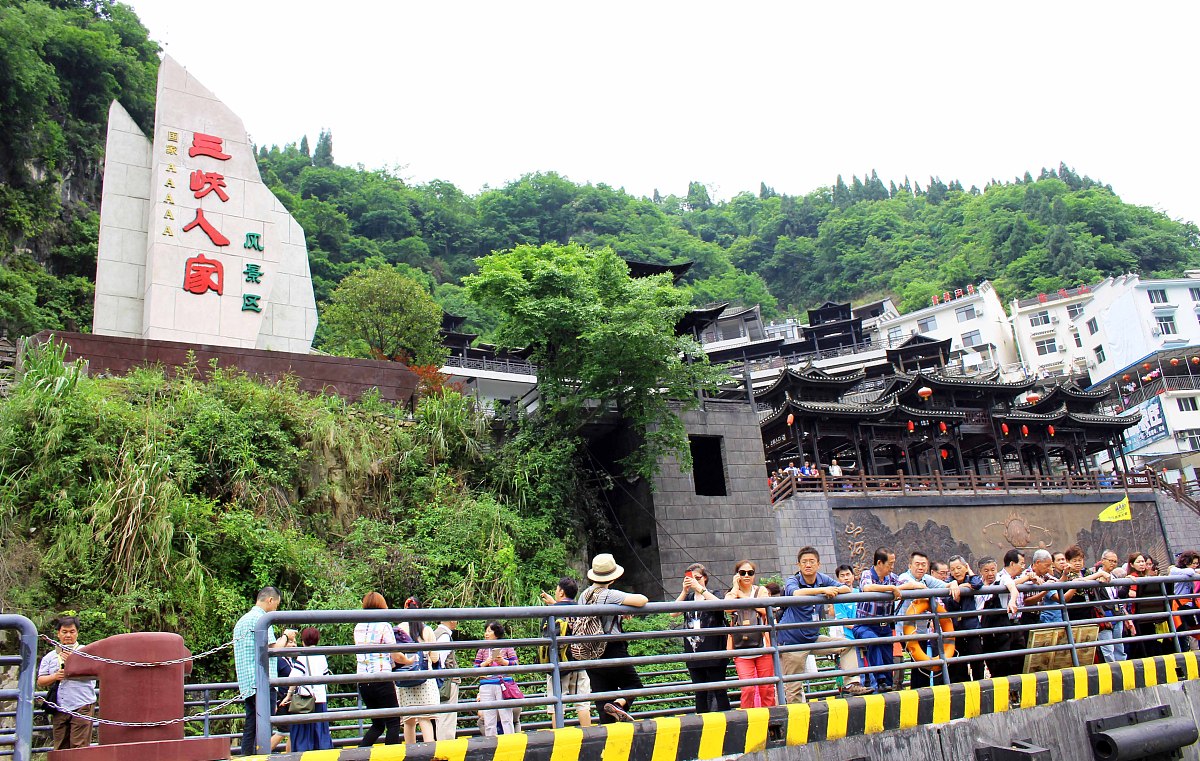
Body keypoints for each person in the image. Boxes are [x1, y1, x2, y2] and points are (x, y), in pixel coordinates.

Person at [778, 547, 872, 702]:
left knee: (847, 645)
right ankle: (795, 715)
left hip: (813, 638)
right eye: (804, 562)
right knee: (794, 689)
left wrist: (832, 590)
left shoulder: (821, 578)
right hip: (792, 641)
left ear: (818, 564)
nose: (808, 565)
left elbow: (846, 589)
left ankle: (851, 683)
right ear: (798, 565)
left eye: (811, 561)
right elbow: (795, 593)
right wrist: (822, 591)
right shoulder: (793, 580)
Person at [580, 553, 648, 722]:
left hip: (590, 650)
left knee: (603, 696)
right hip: (611, 647)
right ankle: (618, 704)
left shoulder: (584, 595)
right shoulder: (609, 595)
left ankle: (608, 725)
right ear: (612, 577)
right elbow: (642, 600)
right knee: (633, 685)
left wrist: (619, 611)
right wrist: (623, 606)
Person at [233, 587, 296, 756]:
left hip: (248, 681)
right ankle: (259, 756)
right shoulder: (261, 619)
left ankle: (247, 756)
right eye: (277, 604)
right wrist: (286, 636)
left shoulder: (243, 620)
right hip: (261, 681)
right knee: (263, 725)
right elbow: (273, 649)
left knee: (252, 724)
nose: (276, 609)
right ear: (270, 600)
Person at [853, 548, 924, 692]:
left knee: (887, 657)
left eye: (893, 563)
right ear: (879, 563)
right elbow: (867, 588)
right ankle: (880, 680)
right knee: (873, 641)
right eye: (890, 564)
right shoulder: (867, 574)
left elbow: (906, 584)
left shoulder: (891, 577)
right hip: (865, 624)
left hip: (884, 626)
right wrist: (891, 588)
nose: (892, 567)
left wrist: (917, 585)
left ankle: (887, 685)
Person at [672, 564, 729, 714]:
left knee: (719, 690)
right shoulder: (688, 598)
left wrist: (700, 588)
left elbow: (721, 606)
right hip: (693, 652)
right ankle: (701, 721)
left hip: (714, 651)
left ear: (705, 578)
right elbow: (673, 613)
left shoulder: (714, 593)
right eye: (691, 579)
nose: (695, 581)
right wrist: (684, 591)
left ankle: (727, 720)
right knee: (699, 692)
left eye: (697, 578)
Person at [540, 577, 595, 726]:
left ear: (561, 592)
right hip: (580, 661)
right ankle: (588, 734)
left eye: (557, 589)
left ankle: (559, 735)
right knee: (583, 703)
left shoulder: (551, 612)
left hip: (559, 664)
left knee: (556, 704)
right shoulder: (581, 609)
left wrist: (553, 605)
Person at [37, 615, 96, 750]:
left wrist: (74, 661)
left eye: (72, 631)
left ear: (77, 633)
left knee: (79, 747)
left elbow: (95, 672)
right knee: (60, 747)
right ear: (58, 634)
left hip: (82, 704)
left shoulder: (87, 652)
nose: (68, 635)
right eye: (64, 632)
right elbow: (41, 681)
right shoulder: (50, 657)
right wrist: (55, 676)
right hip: (60, 706)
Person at [353, 591, 405, 746]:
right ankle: (390, 756)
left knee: (378, 724)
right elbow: (396, 655)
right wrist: (409, 660)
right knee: (393, 721)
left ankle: (360, 753)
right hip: (381, 678)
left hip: (363, 680)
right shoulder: (384, 625)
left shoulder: (358, 626)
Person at [725, 559, 777, 708]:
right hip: (740, 647)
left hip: (762, 645)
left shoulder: (760, 591)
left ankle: (771, 718)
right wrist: (736, 588)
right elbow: (727, 608)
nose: (746, 575)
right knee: (747, 689)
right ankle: (746, 718)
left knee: (766, 688)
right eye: (742, 573)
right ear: (737, 575)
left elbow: (765, 609)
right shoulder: (732, 593)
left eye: (750, 572)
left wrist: (742, 597)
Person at [285, 628, 334, 752]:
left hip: (306, 700)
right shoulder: (321, 656)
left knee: (304, 735)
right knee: (320, 732)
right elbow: (326, 677)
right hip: (320, 698)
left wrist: (289, 695)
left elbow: (293, 678)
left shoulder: (303, 656)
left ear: (303, 641)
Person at [397, 598, 438, 744]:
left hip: (405, 677)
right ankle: (430, 752)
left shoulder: (399, 628)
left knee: (408, 721)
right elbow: (435, 658)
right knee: (425, 719)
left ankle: (410, 752)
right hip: (424, 678)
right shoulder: (427, 630)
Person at [474, 621, 519, 737]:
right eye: (486, 631)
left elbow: (515, 664)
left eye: (489, 631)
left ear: (497, 633)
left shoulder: (506, 645)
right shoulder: (482, 648)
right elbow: (475, 668)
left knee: (506, 717)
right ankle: (491, 742)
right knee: (489, 719)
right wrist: (485, 663)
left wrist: (503, 662)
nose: (486, 634)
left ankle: (510, 740)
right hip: (486, 684)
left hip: (503, 684)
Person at [1119, 552, 1169, 658]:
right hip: (1137, 614)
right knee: (1143, 644)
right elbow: (1131, 594)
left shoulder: (1145, 576)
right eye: (1138, 562)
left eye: (1143, 561)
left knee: (1149, 642)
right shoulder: (1133, 577)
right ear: (1132, 564)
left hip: (1147, 613)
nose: (1142, 564)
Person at [943, 557, 984, 683]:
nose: (956, 572)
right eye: (953, 569)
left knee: (977, 660)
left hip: (972, 627)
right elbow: (949, 604)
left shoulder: (970, 579)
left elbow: (978, 584)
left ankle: (980, 685)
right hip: (956, 628)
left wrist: (968, 576)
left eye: (959, 568)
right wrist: (958, 593)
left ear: (966, 567)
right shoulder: (948, 583)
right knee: (958, 664)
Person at [1095, 550, 1127, 662]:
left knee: (1119, 645)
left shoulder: (1114, 576)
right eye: (1110, 561)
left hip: (1117, 613)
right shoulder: (1095, 576)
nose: (1113, 563)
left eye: (1115, 561)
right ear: (1103, 561)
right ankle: (1112, 669)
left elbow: (1118, 596)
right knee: (1108, 648)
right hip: (1104, 615)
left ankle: (1122, 666)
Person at [432, 619, 460, 740]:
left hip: (440, 681)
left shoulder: (435, 633)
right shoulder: (444, 636)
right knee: (447, 717)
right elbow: (439, 661)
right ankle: (446, 746)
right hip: (447, 682)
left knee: (442, 717)